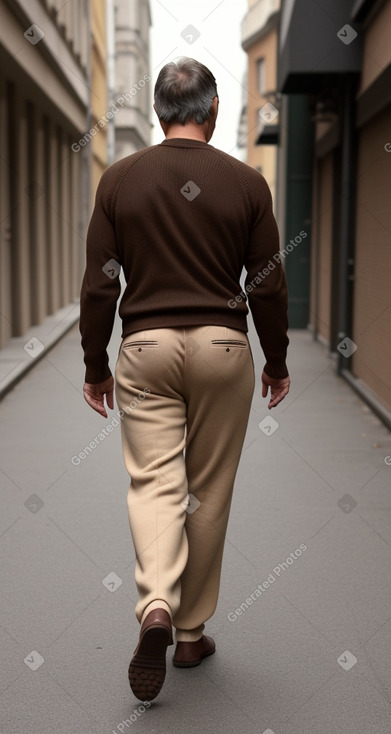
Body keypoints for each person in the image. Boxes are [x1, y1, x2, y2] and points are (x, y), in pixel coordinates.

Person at [79, 57, 290, 703]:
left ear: (157, 113)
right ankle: (192, 633)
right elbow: (268, 282)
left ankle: (155, 608)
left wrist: (96, 365)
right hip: (223, 347)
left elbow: (99, 284)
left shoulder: (119, 179)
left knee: (155, 484)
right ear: (215, 109)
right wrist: (275, 359)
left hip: (145, 347)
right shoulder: (248, 183)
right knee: (208, 491)